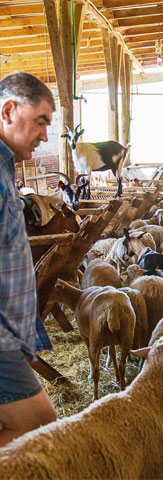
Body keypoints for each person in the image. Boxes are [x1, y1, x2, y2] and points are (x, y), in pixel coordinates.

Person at [0, 72, 58, 446]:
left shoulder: (6, 169)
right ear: (8, 111)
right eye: (41, 121)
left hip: (10, 335)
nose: (46, 136)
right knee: (38, 425)